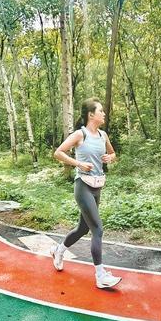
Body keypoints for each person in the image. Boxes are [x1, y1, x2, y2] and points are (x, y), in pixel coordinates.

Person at [51, 98, 121, 289]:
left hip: (98, 186)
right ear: (91, 115)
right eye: (101, 111)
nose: (104, 113)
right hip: (83, 186)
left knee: (83, 229)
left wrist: (110, 158)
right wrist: (78, 163)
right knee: (97, 229)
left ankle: (59, 250)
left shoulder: (103, 135)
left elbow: (113, 154)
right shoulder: (80, 134)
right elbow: (58, 152)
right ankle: (100, 276)